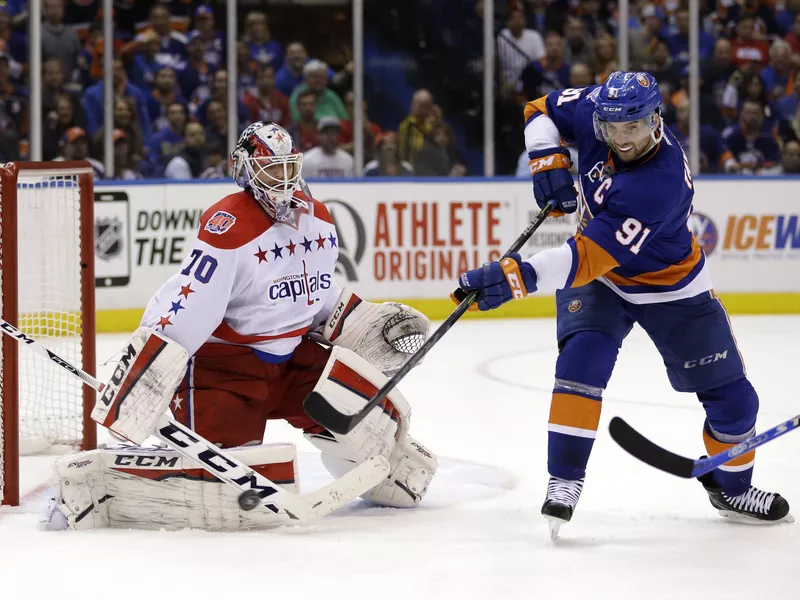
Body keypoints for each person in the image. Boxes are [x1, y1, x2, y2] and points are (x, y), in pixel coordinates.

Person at [47, 122, 437, 531]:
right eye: (272, 170)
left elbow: (316, 294)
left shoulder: (318, 219)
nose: (284, 181)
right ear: (245, 169)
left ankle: (380, 466)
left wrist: (360, 320)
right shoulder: (229, 224)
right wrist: (142, 379)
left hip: (294, 360)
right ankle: (101, 485)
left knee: (374, 425)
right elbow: (189, 305)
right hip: (227, 368)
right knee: (231, 492)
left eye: (289, 168)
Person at [452, 72, 793, 538]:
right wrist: (546, 159)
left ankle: (731, 488)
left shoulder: (659, 182)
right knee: (580, 364)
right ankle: (564, 481)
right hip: (603, 284)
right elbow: (539, 109)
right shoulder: (599, 109)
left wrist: (518, 277)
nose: (620, 138)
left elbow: (586, 259)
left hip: (670, 287)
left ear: (656, 119)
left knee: (735, 404)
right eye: (612, 128)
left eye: (631, 127)